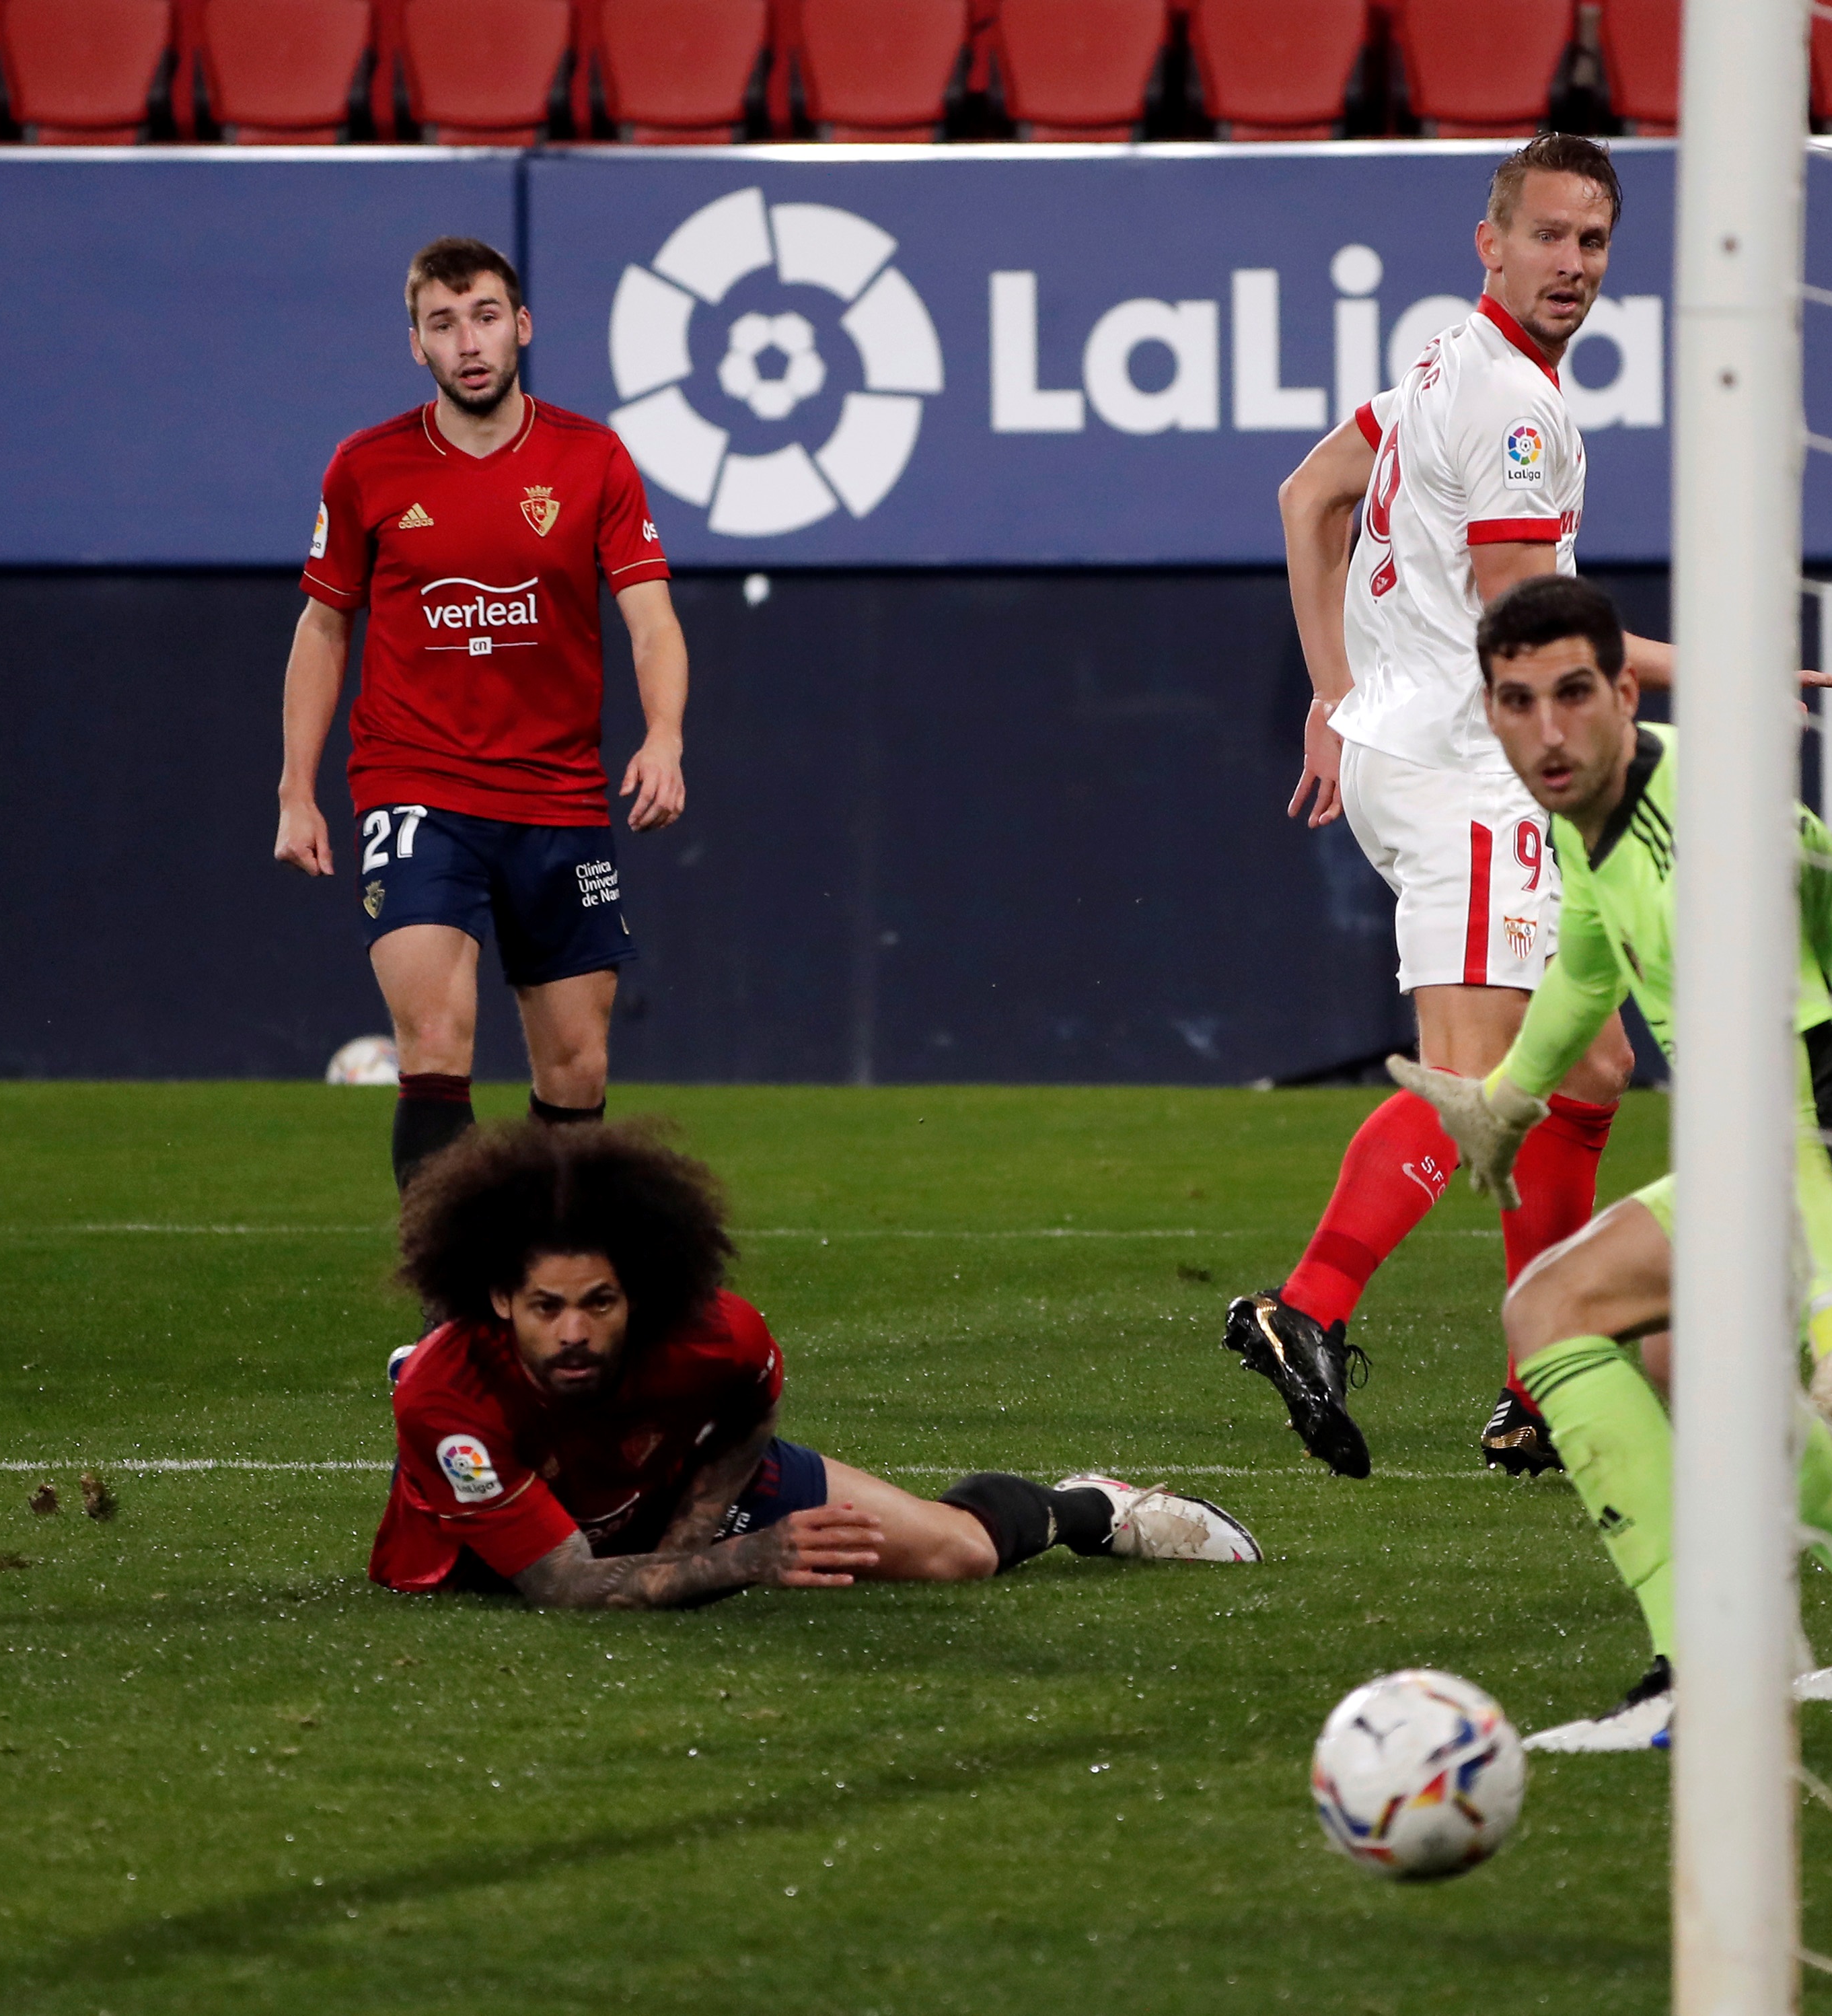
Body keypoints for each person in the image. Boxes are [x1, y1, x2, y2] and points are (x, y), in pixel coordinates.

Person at [1391, 577, 1832, 1751]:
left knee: (1549, 1310)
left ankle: (1704, 1678)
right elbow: (1586, 966)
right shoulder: (1603, 797)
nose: (1547, 731)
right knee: (1683, 1351)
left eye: (1573, 693)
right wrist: (1505, 1101)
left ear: (1625, 692)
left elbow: (1785, 1123)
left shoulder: (1707, 855)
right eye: (1517, 702)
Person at [1229, 134, 1662, 1482]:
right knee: (1474, 1084)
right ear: (1491, 242)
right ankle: (1306, 1308)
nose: (1571, 264)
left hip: (1422, 751)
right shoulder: (1518, 408)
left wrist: (1334, 693)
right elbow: (1522, 620)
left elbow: (1308, 495)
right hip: (1464, 772)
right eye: (1547, 236)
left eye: (1592, 241)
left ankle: (1542, 1384)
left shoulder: (1437, 367)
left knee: (1588, 1067)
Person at [370, 1122, 1261, 1606]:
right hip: (504, 1556)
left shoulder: (713, 1335)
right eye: (546, 1307)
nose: (574, 1331)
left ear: (635, 1292)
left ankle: (1093, 1508)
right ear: (498, 1298)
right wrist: (735, 1562)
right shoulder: (446, 1399)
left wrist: (691, 1540)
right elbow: (562, 1583)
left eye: (599, 1302)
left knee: (959, 1554)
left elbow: (753, 1398)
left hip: (673, 1487)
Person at [274, 236, 690, 1192]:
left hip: (557, 793)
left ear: (523, 327)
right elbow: (323, 627)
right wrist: (297, 789)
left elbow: (652, 622)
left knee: (576, 1066)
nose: (468, 342)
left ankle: (551, 1271)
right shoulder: (366, 466)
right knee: (432, 1036)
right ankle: (448, 1286)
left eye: (486, 317)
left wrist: (664, 736)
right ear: (415, 344)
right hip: (415, 786)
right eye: (443, 323)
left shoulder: (592, 457)